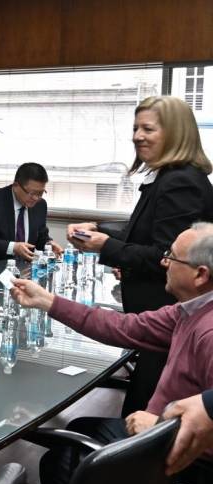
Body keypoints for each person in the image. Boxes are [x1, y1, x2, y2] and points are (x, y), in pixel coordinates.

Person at [9, 222, 213, 484]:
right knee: (79, 428)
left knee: (59, 463)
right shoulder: (188, 310)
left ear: (200, 274)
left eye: (172, 257)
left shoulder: (208, 331)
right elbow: (124, 327)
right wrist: (48, 301)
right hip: (154, 433)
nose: (163, 262)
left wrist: (161, 427)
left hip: (166, 456)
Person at [66, 95, 213, 414]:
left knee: (143, 412)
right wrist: (97, 229)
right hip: (155, 321)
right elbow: (146, 232)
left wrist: (104, 246)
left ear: (175, 133)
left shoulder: (180, 182)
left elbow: (165, 257)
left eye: (148, 129)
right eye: (135, 128)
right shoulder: (168, 177)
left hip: (164, 317)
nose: (137, 136)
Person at [0, 162, 63, 262]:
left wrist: (49, 244)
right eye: (32, 193)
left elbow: (41, 237)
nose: (36, 198)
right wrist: (13, 247)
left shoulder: (40, 205)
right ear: (16, 186)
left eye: (40, 193)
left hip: (26, 267)